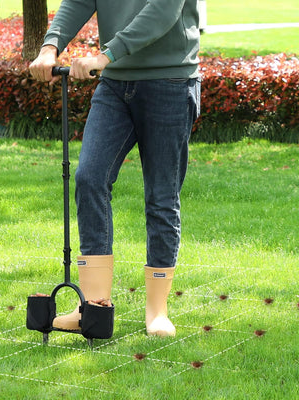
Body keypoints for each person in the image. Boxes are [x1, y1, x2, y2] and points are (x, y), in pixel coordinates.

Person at [29, 0, 201, 337]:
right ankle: (94, 308)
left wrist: (105, 56)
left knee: (162, 197)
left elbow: (163, 11)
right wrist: (51, 46)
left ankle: (157, 312)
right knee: (89, 178)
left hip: (170, 81)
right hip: (114, 85)